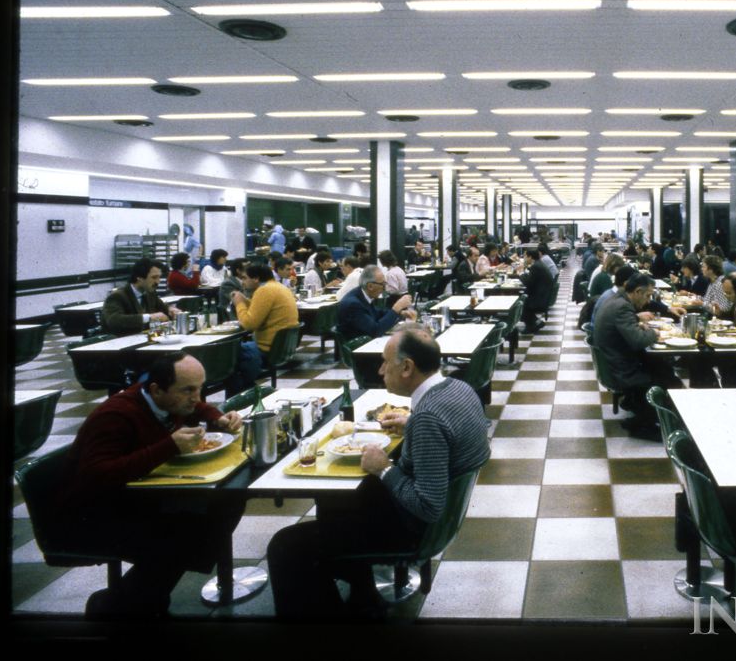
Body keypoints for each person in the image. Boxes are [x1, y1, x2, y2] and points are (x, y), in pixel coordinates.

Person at [267, 327, 490, 619]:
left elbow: (428, 505)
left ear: (407, 367)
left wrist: (383, 468)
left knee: (286, 546)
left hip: (415, 530)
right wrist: (410, 425)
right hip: (445, 518)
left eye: (386, 362)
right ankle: (364, 595)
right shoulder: (459, 388)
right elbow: (448, 433)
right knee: (333, 500)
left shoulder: (428, 417)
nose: (381, 369)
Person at [53, 352, 245, 618]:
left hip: (133, 499)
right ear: (156, 389)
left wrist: (217, 417)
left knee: (225, 504)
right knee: (190, 528)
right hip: (90, 514)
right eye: (188, 389)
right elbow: (94, 475)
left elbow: (194, 407)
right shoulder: (116, 415)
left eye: (200, 388)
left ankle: (141, 598)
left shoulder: (161, 399)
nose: (197, 397)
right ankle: (119, 606)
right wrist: (168, 447)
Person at [593, 272, 683, 438]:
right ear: (637, 292)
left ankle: (643, 414)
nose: (649, 301)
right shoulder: (622, 306)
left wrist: (635, 319)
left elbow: (622, 325)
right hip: (622, 370)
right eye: (648, 295)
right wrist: (655, 333)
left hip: (613, 363)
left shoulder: (615, 300)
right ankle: (646, 423)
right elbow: (638, 341)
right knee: (668, 378)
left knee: (661, 368)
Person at [229, 263, 299, 394]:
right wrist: (245, 300)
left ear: (255, 278)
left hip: (267, 349)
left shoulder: (264, 290)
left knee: (229, 353)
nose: (242, 282)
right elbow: (260, 310)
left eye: (244, 278)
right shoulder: (278, 287)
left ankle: (242, 392)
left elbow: (248, 324)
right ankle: (248, 387)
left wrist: (239, 304)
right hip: (280, 347)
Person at [101, 259, 181, 336]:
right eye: (154, 277)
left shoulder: (150, 293)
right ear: (139, 278)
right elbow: (114, 320)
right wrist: (149, 317)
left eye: (159, 277)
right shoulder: (117, 296)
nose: (158, 282)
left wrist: (170, 310)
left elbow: (162, 308)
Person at [337, 265, 416, 339]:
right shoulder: (353, 304)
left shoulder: (363, 294)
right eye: (382, 284)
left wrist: (399, 312)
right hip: (356, 348)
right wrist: (396, 308)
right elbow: (375, 331)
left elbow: (377, 313)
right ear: (370, 286)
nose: (385, 288)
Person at [520, 246, 555, 332]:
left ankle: (530, 326)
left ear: (530, 257)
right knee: (523, 298)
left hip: (539, 298)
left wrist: (520, 273)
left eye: (525, 256)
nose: (524, 258)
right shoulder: (538, 263)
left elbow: (528, 283)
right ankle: (536, 321)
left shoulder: (536, 266)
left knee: (521, 302)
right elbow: (531, 280)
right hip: (542, 295)